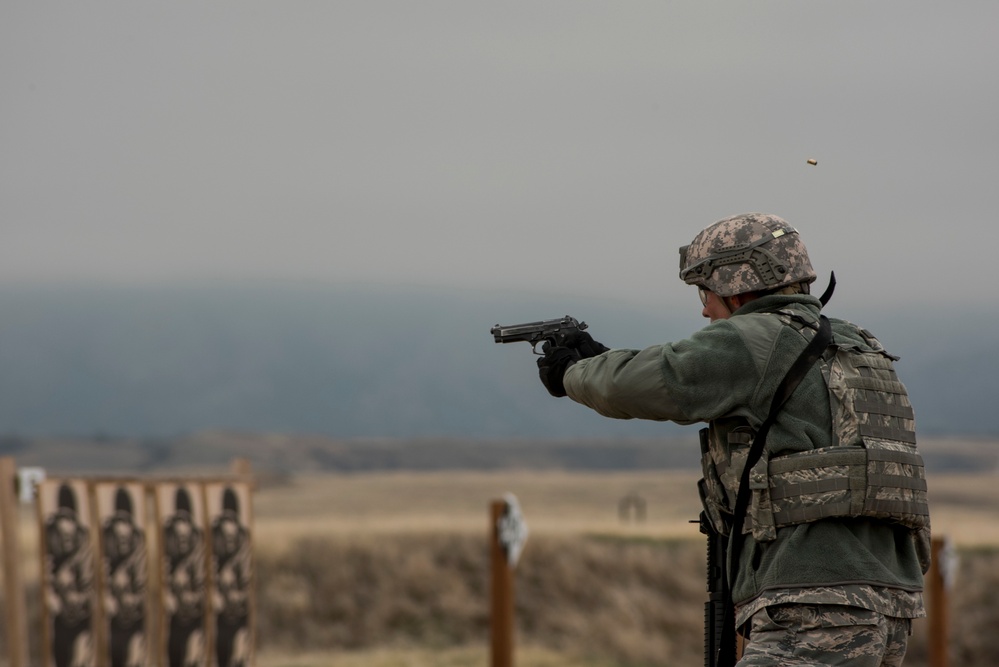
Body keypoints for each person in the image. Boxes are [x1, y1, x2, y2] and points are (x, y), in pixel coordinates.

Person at [535, 213, 930, 667]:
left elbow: (658, 380)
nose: (705, 310)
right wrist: (606, 360)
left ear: (738, 285)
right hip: (888, 604)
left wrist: (572, 372)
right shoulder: (859, 347)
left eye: (706, 292)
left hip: (813, 600)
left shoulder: (759, 338)